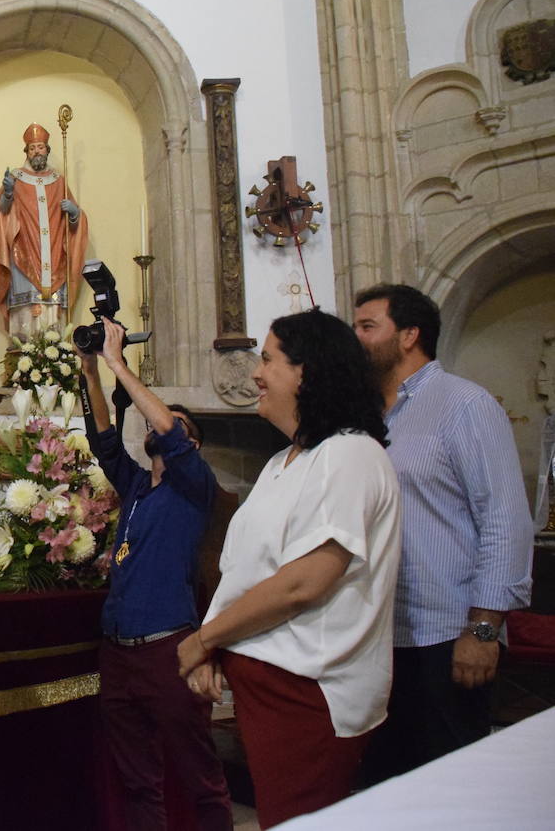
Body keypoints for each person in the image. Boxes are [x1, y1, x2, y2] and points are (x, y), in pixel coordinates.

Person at [176, 309, 401, 829]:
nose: (257, 372)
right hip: (270, 688)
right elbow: (245, 575)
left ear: (308, 371)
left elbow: (305, 581)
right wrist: (219, 645)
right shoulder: (285, 461)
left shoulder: (350, 455)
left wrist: (204, 640)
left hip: (309, 692)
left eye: (270, 359)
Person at [352, 284, 533, 783]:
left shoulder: (464, 405)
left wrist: (483, 630)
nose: (357, 338)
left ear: (410, 335)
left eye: (368, 327)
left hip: (446, 633)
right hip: (380, 635)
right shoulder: (366, 416)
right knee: (388, 786)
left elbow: (504, 521)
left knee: (452, 787)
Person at [77, 316, 233, 831]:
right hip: (118, 652)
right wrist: (88, 368)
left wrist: (118, 362)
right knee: (138, 780)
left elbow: (167, 426)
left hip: (169, 648)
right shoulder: (139, 486)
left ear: (193, 447)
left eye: (178, 426)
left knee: (196, 774)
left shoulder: (194, 487)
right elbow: (103, 440)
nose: (160, 425)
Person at [0, 122, 88, 333]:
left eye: (41, 147)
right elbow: (2, 214)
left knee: (51, 317)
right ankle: (22, 352)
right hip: (23, 254)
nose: (37, 151)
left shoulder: (59, 181)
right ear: (27, 151)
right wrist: (7, 194)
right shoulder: (16, 178)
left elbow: (76, 224)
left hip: (53, 257)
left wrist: (74, 213)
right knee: (27, 314)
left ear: (47, 150)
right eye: (32, 147)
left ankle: (56, 353)